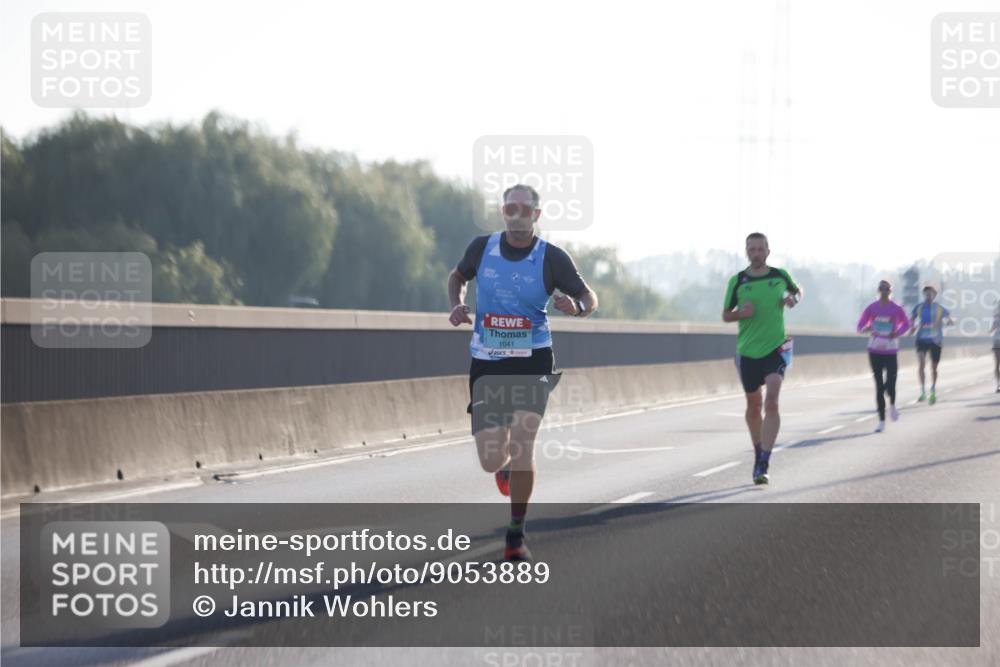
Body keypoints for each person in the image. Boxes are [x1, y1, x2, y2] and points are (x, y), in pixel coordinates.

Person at [447, 184, 598, 561]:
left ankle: (516, 533)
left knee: (525, 439)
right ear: (503, 212)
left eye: (524, 209)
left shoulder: (551, 258)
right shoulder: (483, 248)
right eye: (509, 208)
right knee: (489, 459)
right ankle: (507, 468)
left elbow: (590, 298)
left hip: (533, 360)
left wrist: (575, 306)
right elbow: (457, 277)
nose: (516, 214)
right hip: (488, 361)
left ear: (536, 216)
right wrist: (457, 304)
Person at [722, 232, 802, 484]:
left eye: (760, 249)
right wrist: (741, 314)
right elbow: (726, 315)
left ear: (768, 251)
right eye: (752, 249)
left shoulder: (779, 275)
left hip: (775, 348)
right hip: (747, 351)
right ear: (747, 252)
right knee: (754, 406)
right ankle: (758, 452)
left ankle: (765, 460)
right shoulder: (738, 281)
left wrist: (792, 299)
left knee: (772, 403)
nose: (756, 253)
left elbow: (798, 292)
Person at [856, 280, 910, 432]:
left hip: (891, 349)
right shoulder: (872, 308)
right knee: (879, 386)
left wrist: (897, 332)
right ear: (878, 290)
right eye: (882, 289)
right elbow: (859, 326)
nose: (884, 291)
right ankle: (881, 421)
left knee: (891, 382)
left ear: (890, 291)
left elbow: (906, 324)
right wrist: (865, 328)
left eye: (887, 289)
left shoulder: (896, 308)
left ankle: (892, 404)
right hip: (874, 349)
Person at [909, 286, 954, 405]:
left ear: (934, 295)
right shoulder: (919, 307)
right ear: (924, 294)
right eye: (926, 294)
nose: (929, 296)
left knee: (934, 367)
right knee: (921, 364)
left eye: (931, 294)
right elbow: (912, 320)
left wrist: (949, 321)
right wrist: (912, 327)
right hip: (921, 339)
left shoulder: (940, 308)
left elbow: (950, 319)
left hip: (936, 341)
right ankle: (923, 392)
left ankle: (933, 390)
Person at [991, 302, 1000, 393]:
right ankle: (998, 384)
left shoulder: (996, 316)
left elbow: (992, 328)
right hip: (997, 341)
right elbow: (993, 327)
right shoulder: (996, 316)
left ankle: (998, 384)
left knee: (997, 364)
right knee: (997, 364)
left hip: (997, 340)